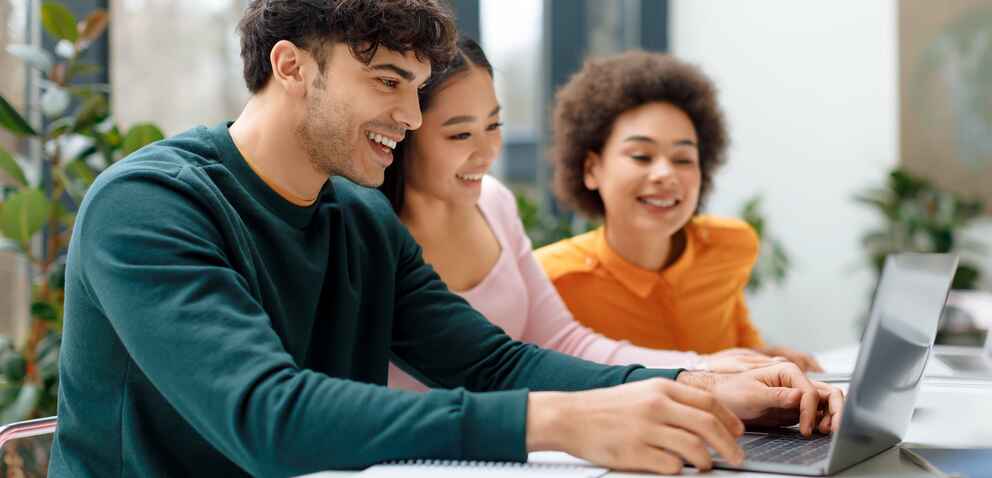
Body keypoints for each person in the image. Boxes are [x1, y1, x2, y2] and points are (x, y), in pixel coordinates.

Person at [52, 2, 840, 477]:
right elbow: (268, 417)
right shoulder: (151, 206)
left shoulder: (357, 218)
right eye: (389, 82)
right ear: (291, 66)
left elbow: (494, 361)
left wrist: (700, 394)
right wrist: (556, 422)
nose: (411, 116)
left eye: (417, 88)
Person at [379, 37, 783, 389]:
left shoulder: (496, 203)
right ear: (404, 129)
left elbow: (562, 342)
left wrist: (704, 367)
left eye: (495, 125)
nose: (488, 153)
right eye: (460, 134)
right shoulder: (366, 230)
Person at [535, 52, 823, 372]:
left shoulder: (730, 245)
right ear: (592, 168)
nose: (665, 174)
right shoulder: (552, 279)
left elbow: (740, 346)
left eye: (683, 159)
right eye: (642, 156)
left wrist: (768, 360)